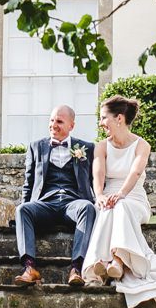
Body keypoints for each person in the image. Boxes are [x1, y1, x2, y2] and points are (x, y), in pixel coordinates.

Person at [82, 95, 156, 307]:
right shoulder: (101, 146)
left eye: (103, 118)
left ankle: (116, 260)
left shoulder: (141, 145)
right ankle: (98, 270)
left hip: (133, 198)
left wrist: (122, 194)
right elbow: (98, 174)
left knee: (121, 206)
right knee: (106, 209)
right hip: (108, 197)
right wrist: (100, 196)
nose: (101, 123)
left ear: (119, 118)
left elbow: (136, 172)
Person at [13, 104, 96, 286]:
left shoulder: (86, 148)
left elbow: (95, 180)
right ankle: (29, 268)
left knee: (88, 207)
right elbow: (29, 183)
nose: (53, 125)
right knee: (22, 210)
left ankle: (76, 268)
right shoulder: (36, 146)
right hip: (45, 204)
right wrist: (24, 207)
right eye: (51, 120)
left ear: (71, 126)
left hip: (73, 203)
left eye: (59, 121)